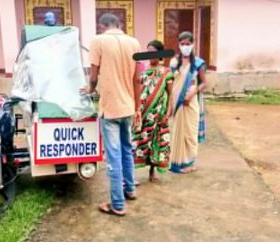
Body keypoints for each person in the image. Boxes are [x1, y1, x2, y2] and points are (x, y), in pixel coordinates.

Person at [81, 13, 142, 216]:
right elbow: (137, 79)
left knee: (113, 156)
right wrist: (138, 107)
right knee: (126, 150)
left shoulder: (98, 41)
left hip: (111, 109)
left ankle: (117, 204)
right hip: (128, 107)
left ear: (102, 25)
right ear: (119, 25)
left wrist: (90, 89)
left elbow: (94, 74)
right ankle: (130, 190)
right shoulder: (134, 43)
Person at [132, 40, 173, 182]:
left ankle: (152, 172)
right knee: (139, 141)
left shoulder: (166, 72)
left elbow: (170, 94)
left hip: (158, 114)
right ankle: (132, 176)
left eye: (153, 52)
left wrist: (168, 114)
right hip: (143, 114)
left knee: (156, 141)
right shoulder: (142, 71)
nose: (150, 55)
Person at [168, 31, 207, 174]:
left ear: (193, 44)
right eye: (182, 44)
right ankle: (177, 163)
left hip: (191, 103)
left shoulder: (198, 63)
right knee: (178, 132)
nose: (185, 46)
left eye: (188, 44)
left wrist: (193, 92)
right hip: (177, 102)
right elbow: (171, 83)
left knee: (190, 133)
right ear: (178, 45)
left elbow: (204, 83)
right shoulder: (174, 62)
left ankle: (189, 163)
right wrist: (170, 105)